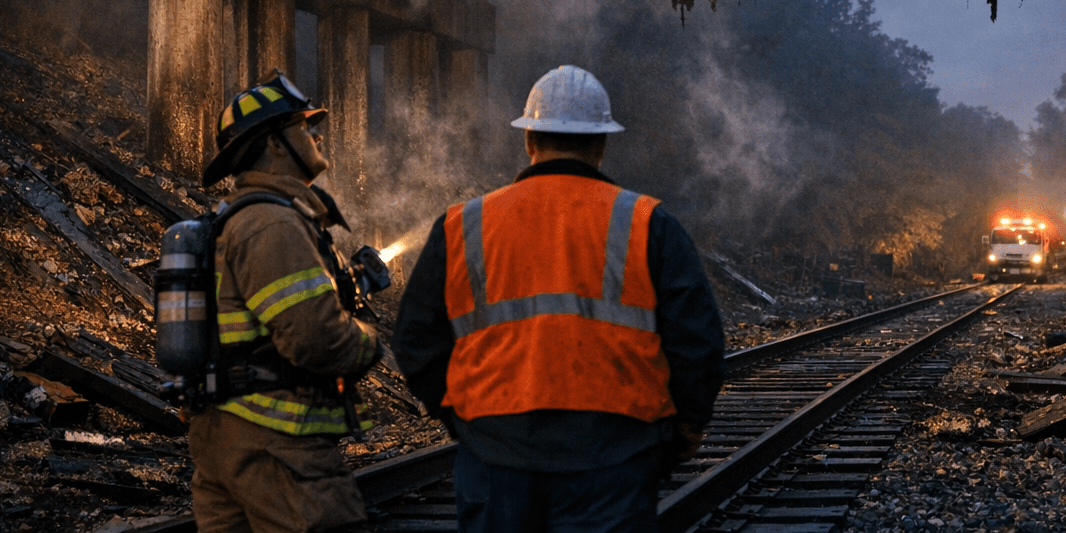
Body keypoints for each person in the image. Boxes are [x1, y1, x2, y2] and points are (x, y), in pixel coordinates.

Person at [393, 65, 725, 533]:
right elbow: (698, 344)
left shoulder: (464, 225)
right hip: (614, 456)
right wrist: (684, 428)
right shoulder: (648, 224)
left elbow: (414, 341)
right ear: (602, 144)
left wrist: (463, 420)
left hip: (496, 455)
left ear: (529, 140)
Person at [190, 73, 382, 533]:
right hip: (278, 445)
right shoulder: (272, 225)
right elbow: (319, 341)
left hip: (232, 437)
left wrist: (353, 286)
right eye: (303, 126)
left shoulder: (246, 219)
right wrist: (370, 341)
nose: (316, 134)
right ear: (274, 145)